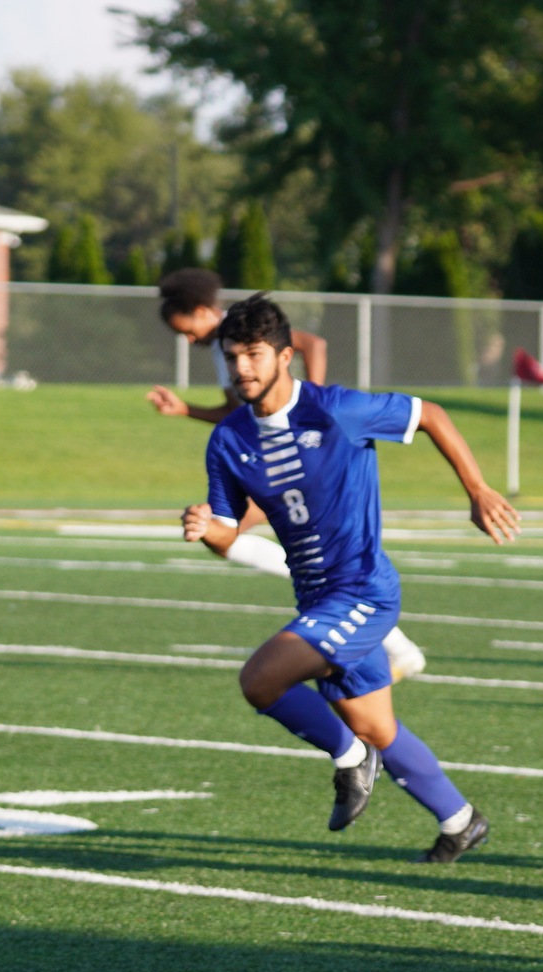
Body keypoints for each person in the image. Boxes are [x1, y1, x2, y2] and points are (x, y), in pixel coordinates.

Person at [181, 295, 516, 861]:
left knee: (260, 681)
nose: (242, 368)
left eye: (255, 355)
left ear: (285, 356)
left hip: (362, 590)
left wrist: (478, 490)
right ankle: (461, 820)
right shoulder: (229, 441)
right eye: (233, 356)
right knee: (377, 725)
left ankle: (352, 759)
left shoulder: (336, 409)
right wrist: (202, 528)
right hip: (315, 597)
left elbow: (429, 414)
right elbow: (227, 534)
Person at [149, 267, 427, 680]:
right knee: (236, 539)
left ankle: (395, 647)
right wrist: (186, 410)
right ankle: (391, 646)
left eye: (186, 328)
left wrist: (309, 410)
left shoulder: (244, 332)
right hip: (266, 454)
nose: (188, 339)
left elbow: (312, 344)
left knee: (239, 538)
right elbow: (239, 415)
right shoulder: (224, 349)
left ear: (205, 310)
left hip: (292, 458)